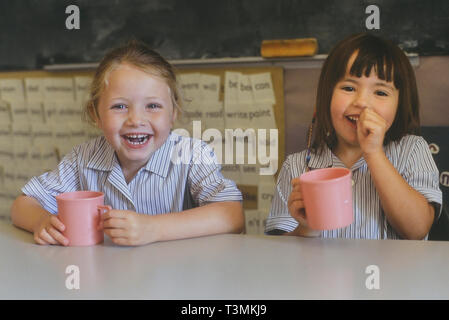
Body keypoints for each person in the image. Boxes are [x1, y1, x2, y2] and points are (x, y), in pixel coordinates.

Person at [11, 40, 244, 246]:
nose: (136, 120)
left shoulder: (192, 154)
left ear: (174, 113)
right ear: (96, 114)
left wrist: (153, 228)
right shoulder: (83, 158)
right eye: (119, 106)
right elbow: (22, 205)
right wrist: (41, 221)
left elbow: (232, 215)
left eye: (153, 106)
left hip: (177, 282)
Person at [265, 33, 442, 240]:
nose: (362, 102)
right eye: (349, 88)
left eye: (381, 93)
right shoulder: (296, 167)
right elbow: (278, 253)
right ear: (327, 95)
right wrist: (306, 227)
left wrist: (374, 153)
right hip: (322, 273)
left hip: (391, 273)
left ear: (400, 105)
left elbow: (417, 229)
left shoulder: (412, 149)